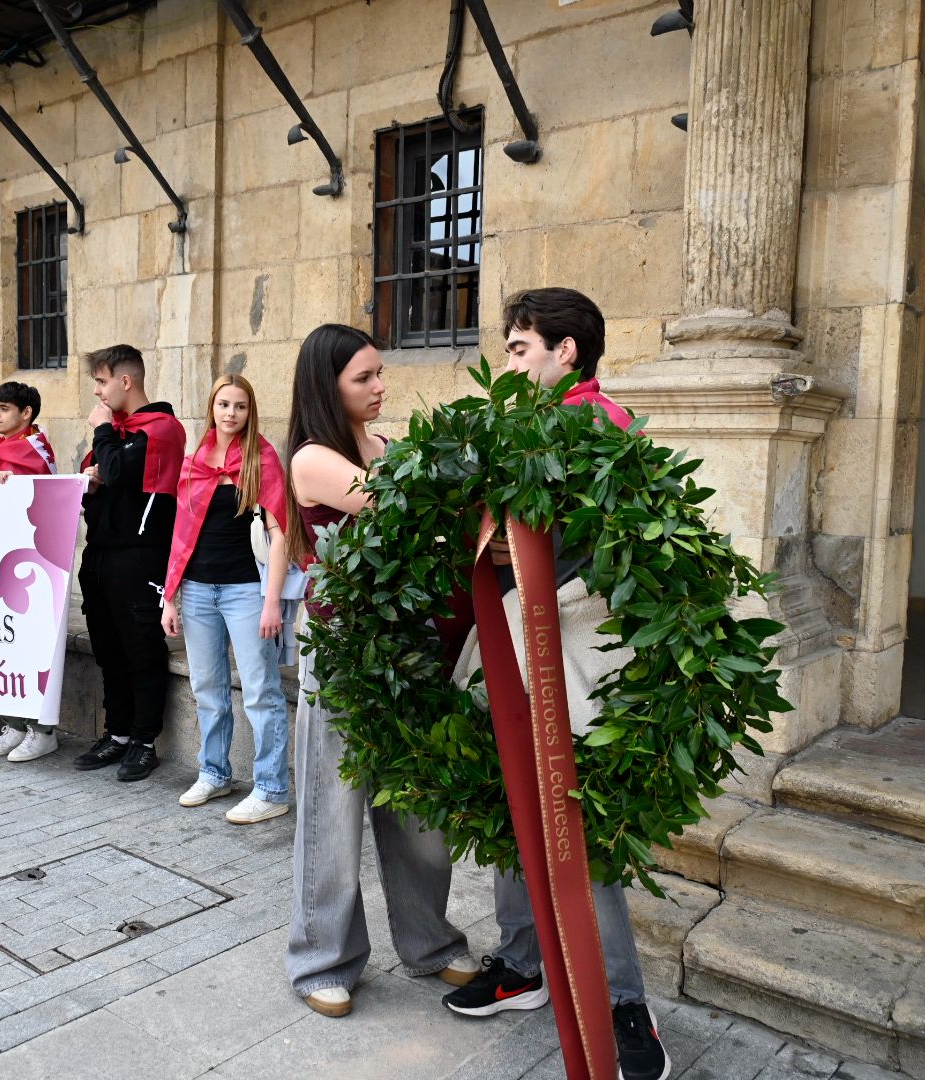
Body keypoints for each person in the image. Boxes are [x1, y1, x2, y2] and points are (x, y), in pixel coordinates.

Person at [440, 288, 668, 1080]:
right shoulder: (518, 429)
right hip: (513, 632)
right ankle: (526, 965)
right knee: (512, 798)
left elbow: (622, 543)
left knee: (577, 817)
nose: (506, 361)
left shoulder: (603, 424)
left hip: (576, 642)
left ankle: (623, 1006)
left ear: (566, 351)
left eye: (518, 347)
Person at [282, 323, 477, 1018]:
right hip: (344, 657)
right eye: (363, 377)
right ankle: (322, 961)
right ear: (326, 384)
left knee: (422, 815)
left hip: (412, 649)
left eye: (379, 373)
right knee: (332, 818)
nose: (379, 387)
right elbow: (405, 508)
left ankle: (430, 942)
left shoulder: (392, 449)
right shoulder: (311, 459)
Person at [160, 374, 292, 825]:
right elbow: (180, 535)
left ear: (249, 411)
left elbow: (280, 535)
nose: (230, 413)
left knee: (260, 691)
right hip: (196, 590)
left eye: (239, 405)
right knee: (207, 689)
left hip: (245, 592)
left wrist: (271, 600)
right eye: (223, 404)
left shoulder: (261, 458)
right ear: (211, 407)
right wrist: (170, 598)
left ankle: (272, 788)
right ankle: (214, 773)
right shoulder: (195, 459)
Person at [72, 346, 186, 782]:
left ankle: (144, 741)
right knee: (108, 650)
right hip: (100, 552)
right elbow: (99, 481)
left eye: (101, 382)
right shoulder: (118, 430)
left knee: (141, 649)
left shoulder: (161, 428)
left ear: (125, 381)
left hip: (139, 556)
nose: (97, 393)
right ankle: (117, 733)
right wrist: (92, 478)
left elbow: (120, 473)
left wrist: (102, 437)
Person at [0, 381, 65, 762]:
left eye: (4, 407)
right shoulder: (0, 449)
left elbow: (47, 492)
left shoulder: (34, 448)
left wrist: (17, 485)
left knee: (33, 645)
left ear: (26, 414)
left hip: (34, 562)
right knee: (6, 644)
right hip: (3, 559)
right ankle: (16, 724)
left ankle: (43, 731)